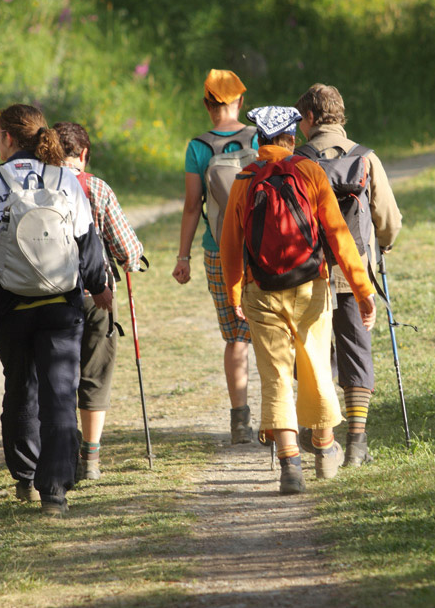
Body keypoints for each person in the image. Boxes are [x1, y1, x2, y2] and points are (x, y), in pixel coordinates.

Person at [0, 104, 112, 516]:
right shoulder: (64, 178)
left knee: (20, 387)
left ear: (6, 138)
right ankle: (55, 489)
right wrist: (100, 287)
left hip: (8, 307)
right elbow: (86, 240)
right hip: (61, 304)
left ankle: (26, 476)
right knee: (60, 392)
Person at [219, 106, 376, 495]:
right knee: (316, 368)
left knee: (275, 379)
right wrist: (363, 291)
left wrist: (235, 292)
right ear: (292, 139)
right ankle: (324, 449)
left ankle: (290, 467)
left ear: (259, 140)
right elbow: (339, 236)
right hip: (312, 288)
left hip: (261, 293)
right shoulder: (309, 172)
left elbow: (230, 246)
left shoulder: (244, 180)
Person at [293, 84, 402, 467]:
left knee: (313, 351)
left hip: (308, 273)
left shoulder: (298, 160)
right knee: (356, 349)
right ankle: (357, 442)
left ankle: (319, 432)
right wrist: (381, 247)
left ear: (309, 118)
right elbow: (388, 220)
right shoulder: (366, 158)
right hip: (355, 273)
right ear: (340, 116)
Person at [172, 69, 259, 444]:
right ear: (240, 100)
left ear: (207, 103)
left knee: (236, 336)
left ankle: (240, 421)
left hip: (219, 252)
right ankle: (285, 414)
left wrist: (183, 257)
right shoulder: (260, 136)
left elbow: (193, 206)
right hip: (264, 249)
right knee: (276, 329)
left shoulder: (198, 147)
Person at [54, 121, 144, 480]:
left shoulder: (38, 185)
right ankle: (90, 459)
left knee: (57, 375)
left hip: (48, 295)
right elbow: (127, 248)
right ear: (84, 154)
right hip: (97, 296)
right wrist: (133, 260)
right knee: (95, 374)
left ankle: (61, 450)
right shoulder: (97, 189)